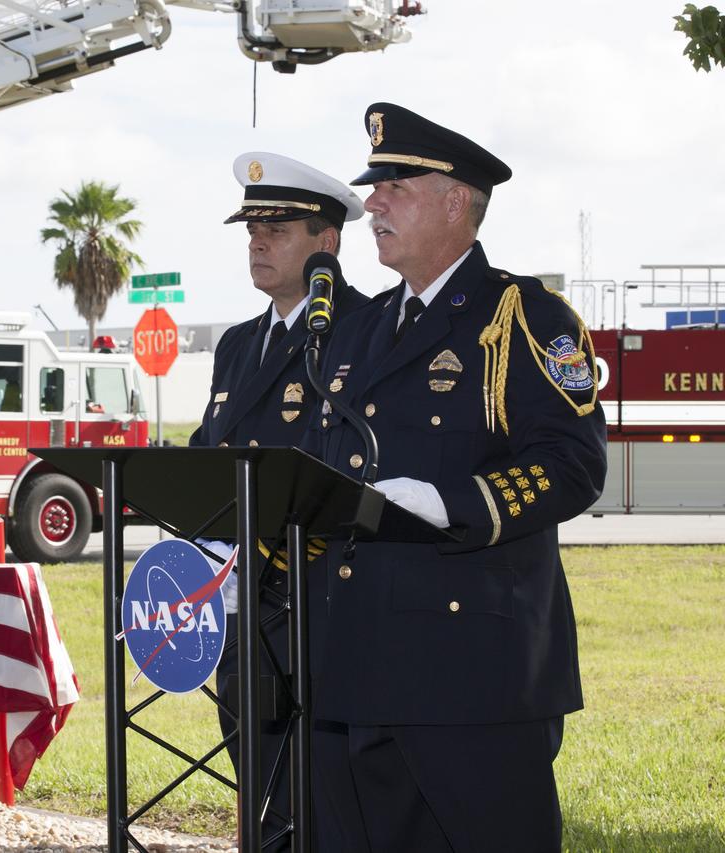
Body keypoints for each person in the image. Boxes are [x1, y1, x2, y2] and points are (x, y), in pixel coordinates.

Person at [303, 103, 606, 852]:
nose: (371, 201)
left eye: (394, 185)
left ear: (455, 200)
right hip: (355, 664)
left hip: (472, 677)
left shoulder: (521, 315)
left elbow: (575, 462)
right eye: (374, 186)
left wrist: (450, 502)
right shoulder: (366, 326)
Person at [190, 151, 368, 851]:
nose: (258, 242)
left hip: (322, 596)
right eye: (252, 229)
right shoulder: (238, 344)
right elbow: (211, 453)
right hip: (241, 603)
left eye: (280, 228)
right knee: (258, 772)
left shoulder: (367, 328)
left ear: (326, 241)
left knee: (323, 784)